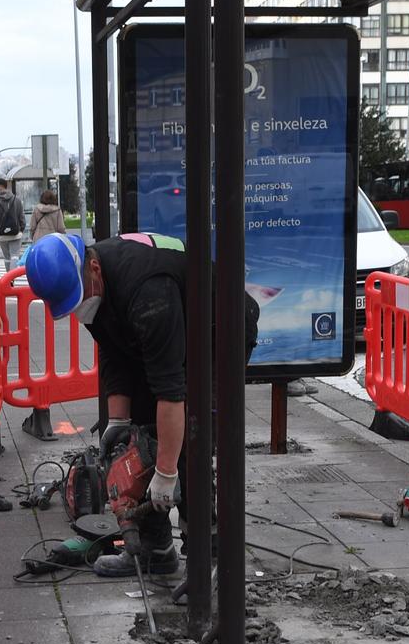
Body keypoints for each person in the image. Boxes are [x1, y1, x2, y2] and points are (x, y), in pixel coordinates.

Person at [25, 231, 257, 579]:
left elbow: (170, 392)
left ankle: (206, 556)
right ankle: (156, 550)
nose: (79, 306)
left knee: (190, 438)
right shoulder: (93, 286)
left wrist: (165, 474)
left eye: (79, 296)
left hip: (218, 332)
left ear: (93, 267)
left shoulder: (147, 289)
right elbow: (114, 351)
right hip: (170, 329)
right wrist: (120, 422)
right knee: (144, 438)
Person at [0, 178, 25, 269]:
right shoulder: (17, 200)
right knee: (14, 256)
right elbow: (21, 217)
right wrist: (21, 229)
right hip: (16, 233)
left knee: (7, 257)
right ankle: (12, 279)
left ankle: (8, 278)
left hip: (2, 234)